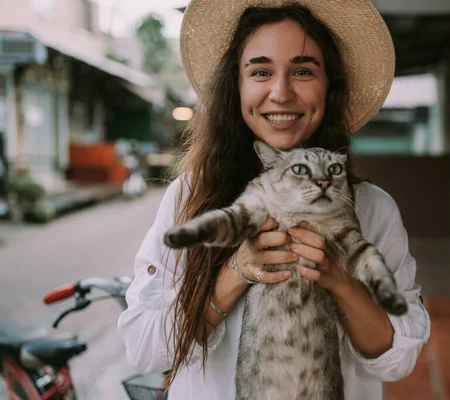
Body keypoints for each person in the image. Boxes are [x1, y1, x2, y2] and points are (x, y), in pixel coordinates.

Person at [117, 1, 431, 399]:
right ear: (237, 85)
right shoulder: (190, 197)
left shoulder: (372, 209)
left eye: (303, 71)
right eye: (261, 71)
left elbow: (397, 361)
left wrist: (340, 280)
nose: (281, 93)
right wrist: (238, 269)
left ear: (329, 86)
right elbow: (144, 350)